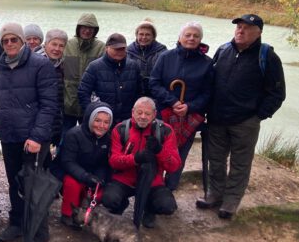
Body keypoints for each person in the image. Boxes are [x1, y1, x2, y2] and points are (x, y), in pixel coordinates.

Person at [198, 14, 286, 219]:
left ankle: (230, 202)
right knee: (216, 160)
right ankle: (214, 194)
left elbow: (277, 93)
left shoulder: (268, 57)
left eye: (247, 28)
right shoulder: (223, 50)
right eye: (239, 27)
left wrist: (258, 116)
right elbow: (211, 81)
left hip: (245, 122)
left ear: (259, 33)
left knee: (240, 163)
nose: (240, 31)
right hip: (217, 119)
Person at [0, 23, 60, 242]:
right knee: (15, 184)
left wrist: (38, 136)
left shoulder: (40, 65)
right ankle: (18, 222)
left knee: (36, 188)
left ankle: (40, 238)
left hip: (33, 139)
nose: (10, 44)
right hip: (10, 137)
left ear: (22, 41)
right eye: (5, 41)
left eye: (14, 40)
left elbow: (49, 104)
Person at [149, 21, 213, 191]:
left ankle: (170, 188)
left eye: (196, 36)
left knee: (179, 156)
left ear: (200, 39)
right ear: (180, 37)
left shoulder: (207, 63)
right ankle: (153, 187)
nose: (191, 38)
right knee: (156, 152)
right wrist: (173, 101)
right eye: (188, 35)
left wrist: (189, 107)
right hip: (163, 115)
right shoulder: (165, 57)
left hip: (189, 118)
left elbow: (208, 93)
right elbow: (154, 83)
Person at [103, 97, 181, 228]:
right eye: (139, 113)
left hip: (153, 180)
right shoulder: (121, 129)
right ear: (132, 112)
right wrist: (135, 158)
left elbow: (174, 166)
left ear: (154, 114)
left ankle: (149, 209)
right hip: (125, 179)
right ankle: (121, 205)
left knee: (167, 205)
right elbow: (113, 161)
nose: (143, 117)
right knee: (109, 198)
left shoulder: (165, 131)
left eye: (147, 113)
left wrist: (159, 150)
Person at [60, 103, 113, 226]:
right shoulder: (73, 135)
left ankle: (87, 214)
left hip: (92, 174)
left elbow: (104, 163)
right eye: (97, 120)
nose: (102, 126)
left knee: (101, 191)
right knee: (73, 184)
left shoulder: (108, 139)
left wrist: (99, 178)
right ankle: (67, 214)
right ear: (89, 119)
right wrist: (85, 176)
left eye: (106, 122)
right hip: (73, 173)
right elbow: (67, 162)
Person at [78, 33, 141, 125]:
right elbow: (83, 93)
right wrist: (93, 113)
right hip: (103, 121)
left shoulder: (134, 66)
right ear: (107, 48)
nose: (119, 52)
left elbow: (140, 92)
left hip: (127, 120)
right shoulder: (94, 67)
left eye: (122, 49)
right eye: (116, 49)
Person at [62, 13, 105, 132]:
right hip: (68, 103)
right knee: (65, 138)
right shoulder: (68, 44)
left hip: (89, 104)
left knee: (87, 138)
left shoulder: (101, 47)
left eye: (90, 28)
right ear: (78, 28)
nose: (87, 31)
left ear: (95, 30)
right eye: (84, 27)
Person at [127, 18, 166, 97]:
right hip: (133, 93)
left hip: (155, 94)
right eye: (141, 34)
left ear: (153, 36)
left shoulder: (162, 52)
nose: (144, 37)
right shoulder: (128, 51)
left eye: (147, 34)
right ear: (136, 35)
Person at [42, 29, 68, 146]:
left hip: (56, 119)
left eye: (61, 46)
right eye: (54, 44)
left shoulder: (63, 65)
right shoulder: (35, 63)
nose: (57, 49)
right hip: (39, 122)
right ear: (46, 44)